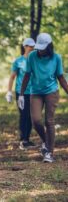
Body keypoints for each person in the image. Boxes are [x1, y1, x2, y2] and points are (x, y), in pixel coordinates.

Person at [19, 33, 68, 163]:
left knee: (49, 121)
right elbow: (27, 75)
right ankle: (47, 142)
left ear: (49, 46)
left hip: (51, 91)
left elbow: (61, 78)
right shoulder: (32, 57)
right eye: (39, 47)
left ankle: (49, 153)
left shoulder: (56, 58)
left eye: (43, 48)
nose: (40, 50)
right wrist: (21, 94)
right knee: (35, 120)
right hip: (36, 92)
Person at [6, 38, 36, 150]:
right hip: (21, 92)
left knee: (32, 116)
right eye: (30, 46)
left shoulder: (35, 60)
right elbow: (12, 77)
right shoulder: (18, 61)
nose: (32, 48)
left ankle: (27, 139)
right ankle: (23, 140)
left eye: (33, 46)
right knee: (24, 115)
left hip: (34, 92)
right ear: (25, 46)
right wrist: (9, 92)